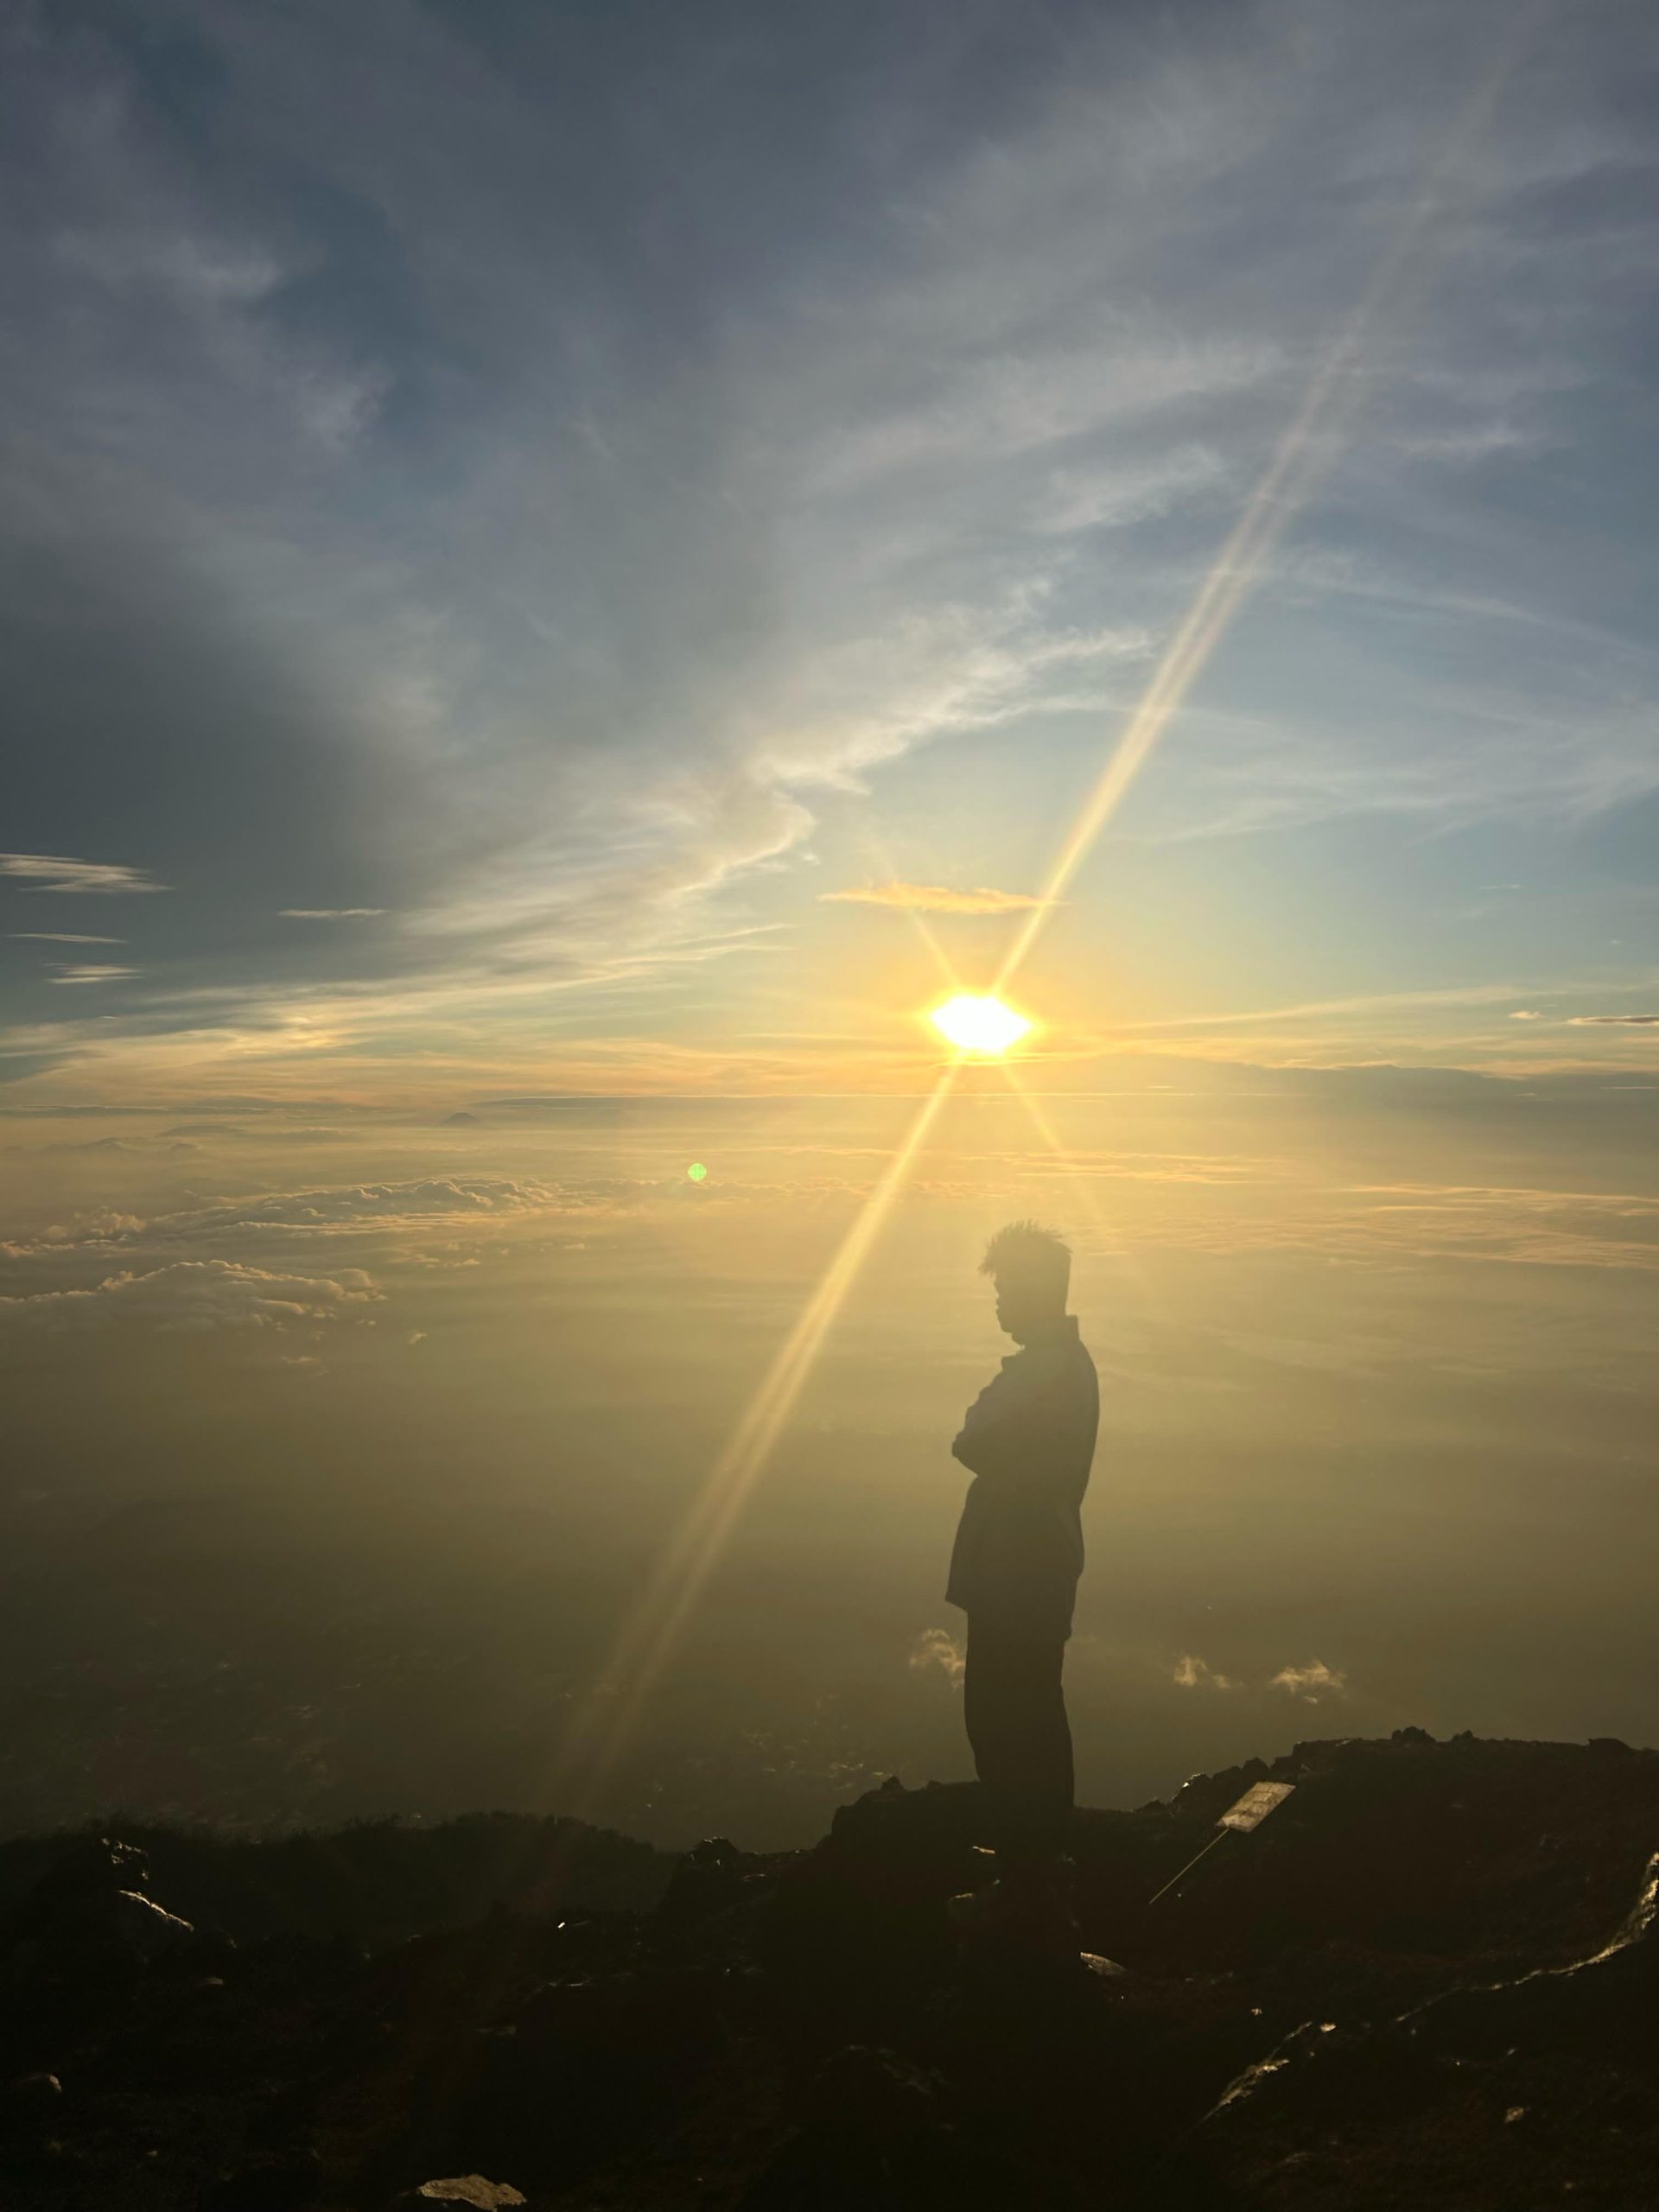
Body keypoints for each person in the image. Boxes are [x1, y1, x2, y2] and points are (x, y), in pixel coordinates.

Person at [944, 1220, 1098, 1946]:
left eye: (1008, 1289)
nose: (999, 1304)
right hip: (1031, 1562)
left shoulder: (1043, 1371)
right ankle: (1031, 1861)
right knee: (1030, 1708)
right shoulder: (1062, 1364)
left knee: (1006, 1716)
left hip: (1019, 1566)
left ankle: (1026, 1883)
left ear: (1037, 1292)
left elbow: (970, 1438)